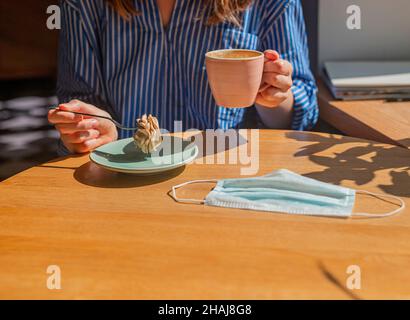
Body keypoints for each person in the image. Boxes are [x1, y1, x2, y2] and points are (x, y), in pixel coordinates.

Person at [48, 0, 318, 154]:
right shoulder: (83, 4)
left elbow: (301, 117)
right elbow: (83, 107)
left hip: (230, 176)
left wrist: (275, 98)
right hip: (127, 173)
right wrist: (92, 128)